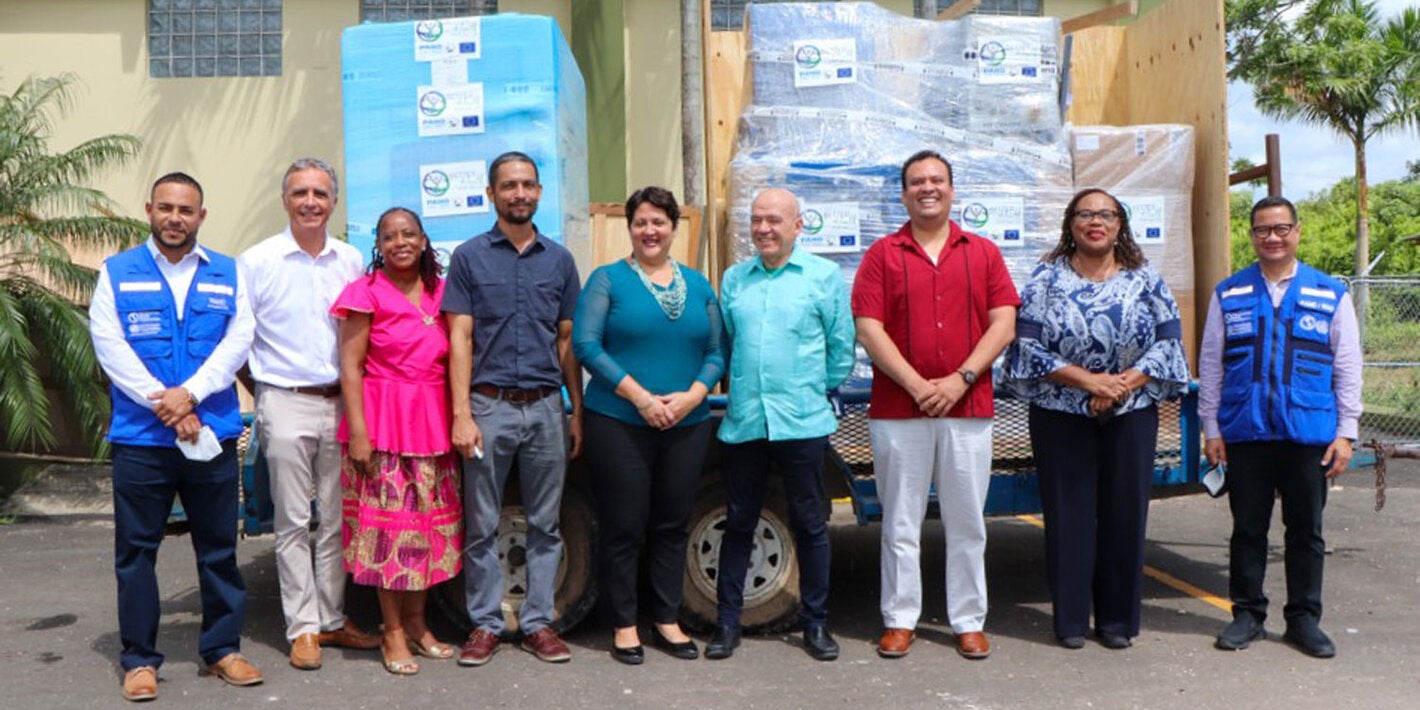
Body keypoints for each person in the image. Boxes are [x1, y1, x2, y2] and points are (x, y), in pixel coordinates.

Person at [89, 172, 262, 701]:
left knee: (218, 549)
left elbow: (239, 339)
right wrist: (164, 403)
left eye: (186, 210)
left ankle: (222, 649)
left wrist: (189, 394)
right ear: (149, 210)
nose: (174, 218)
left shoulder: (228, 273)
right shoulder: (117, 272)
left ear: (201, 216)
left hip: (210, 432)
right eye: (165, 207)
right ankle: (140, 660)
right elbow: (109, 344)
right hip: (143, 439)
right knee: (136, 552)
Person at [1001, 188, 1190, 650]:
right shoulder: (1046, 278)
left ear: (1120, 224)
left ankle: (1117, 622)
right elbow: (1026, 346)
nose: (1095, 222)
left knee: (1125, 514)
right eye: (1085, 214)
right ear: (1071, 224)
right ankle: (1069, 621)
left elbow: (1169, 339)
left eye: (1106, 214)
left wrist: (1120, 385)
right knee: (1069, 517)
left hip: (1131, 409)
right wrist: (1089, 382)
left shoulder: (1145, 278)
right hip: (1061, 411)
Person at [851, 150, 1020, 660]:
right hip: (898, 410)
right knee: (900, 521)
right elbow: (868, 329)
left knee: (967, 521)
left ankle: (968, 620)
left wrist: (959, 380)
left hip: (967, 409)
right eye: (917, 182)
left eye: (937, 180)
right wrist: (917, 384)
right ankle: (900, 619)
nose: (928, 188)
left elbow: (1004, 323)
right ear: (903, 194)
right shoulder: (882, 254)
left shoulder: (983, 252)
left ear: (952, 189)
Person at [1202, 195, 1361, 659]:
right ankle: (1247, 615)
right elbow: (1211, 364)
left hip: (1308, 435)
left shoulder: (1330, 293)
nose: (1272, 237)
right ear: (1252, 235)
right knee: (1248, 530)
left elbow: (1347, 366)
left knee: (1306, 531)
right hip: (1246, 432)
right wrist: (1211, 427)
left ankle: (1303, 620)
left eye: (1281, 229)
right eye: (1262, 230)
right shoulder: (1229, 293)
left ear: (1297, 232)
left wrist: (1346, 432)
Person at [571, 186, 723, 665]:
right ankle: (624, 624)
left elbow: (716, 351)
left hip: (687, 421)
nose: (649, 230)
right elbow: (586, 345)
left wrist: (694, 395)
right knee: (624, 525)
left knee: (672, 524)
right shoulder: (608, 280)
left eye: (659, 221)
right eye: (641, 222)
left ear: (673, 227)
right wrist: (640, 398)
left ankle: (667, 619)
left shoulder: (698, 285)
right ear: (630, 228)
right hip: (619, 421)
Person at [443, 151, 584, 666]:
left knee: (546, 523)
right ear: (491, 194)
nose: (519, 193)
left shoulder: (559, 261)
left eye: (527, 184)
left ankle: (538, 623)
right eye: (508, 185)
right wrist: (461, 413)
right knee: (481, 524)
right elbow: (460, 338)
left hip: (546, 408)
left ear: (539, 192)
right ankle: (484, 624)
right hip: (489, 407)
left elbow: (567, 342)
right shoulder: (469, 257)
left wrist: (576, 411)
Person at [239, 158, 379, 670]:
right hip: (285, 401)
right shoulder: (257, 261)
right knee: (294, 521)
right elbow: (239, 339)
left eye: (320, 193)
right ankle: (302, 628)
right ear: (285, 200)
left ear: (333, 202)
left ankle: (333, 618)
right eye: (300, 193)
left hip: (341, 403)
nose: (310, 202)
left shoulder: (351, 259)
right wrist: (266, 395)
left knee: (338, 519)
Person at [707, 187, 856, 662]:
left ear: (798, 225)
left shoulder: (823, 277)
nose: (764, 228)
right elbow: (727, 344)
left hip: (802, 421)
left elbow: (841, 349)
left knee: (810, 524)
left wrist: (809, 390)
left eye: (774, 220)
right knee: (739, 522)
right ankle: (727, 623)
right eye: (757, 220)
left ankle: (816, 624)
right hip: (746, 421)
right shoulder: (735, 279)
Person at [332, 208, 463, 675]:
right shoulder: (365, 293)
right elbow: (350, 367)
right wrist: (359, 433)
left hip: (432, 423)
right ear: (378, 245)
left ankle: (416, 623)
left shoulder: (442, 292)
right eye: (390, 236)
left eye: (409, 234)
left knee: (426, 530)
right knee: (389, 533)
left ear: (424, 240)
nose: (400, 242)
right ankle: (391, 631)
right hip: (383, 424)